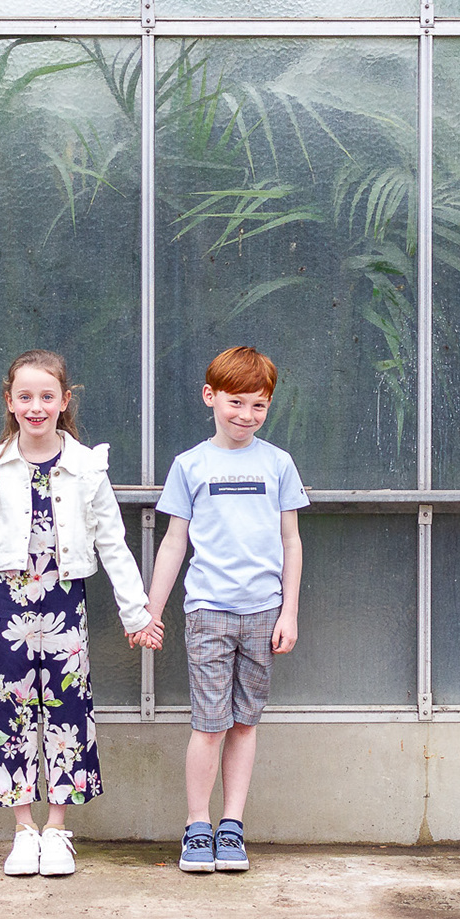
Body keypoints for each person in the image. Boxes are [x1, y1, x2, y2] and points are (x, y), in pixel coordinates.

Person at [0, 349, 164, 878]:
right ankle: (22, 831)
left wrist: (137, 614)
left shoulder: (85, 467)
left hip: (64, 606)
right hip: (8, 608)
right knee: (11, 714)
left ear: (64, 401)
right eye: (25, 397)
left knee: (67, 710)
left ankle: (56, 829)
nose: (36, 407)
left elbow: (114, 543)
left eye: (47, 396)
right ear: (10, 401)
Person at [144, 346, 306, 874]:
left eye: (259, 405)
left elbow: (291, 541)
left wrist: (289, 612)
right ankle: (197, 825)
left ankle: (232, 825)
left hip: (263, 613)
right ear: (210, 397)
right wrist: (151, 611)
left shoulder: (278, 463)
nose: (246, 415)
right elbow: (174, 542)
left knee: (244, 722)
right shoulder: (190, 465)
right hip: (208, 611)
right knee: (210, 723)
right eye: (236, 402)